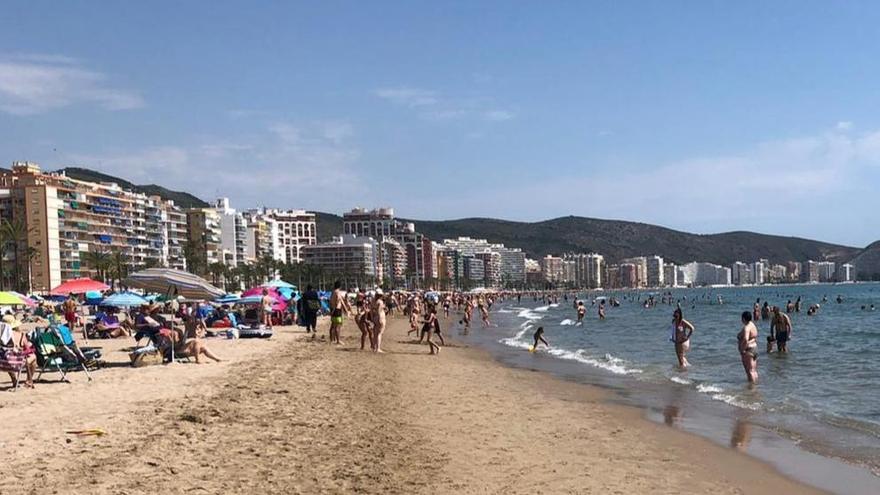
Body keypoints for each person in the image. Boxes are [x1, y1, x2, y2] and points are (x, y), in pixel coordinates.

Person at [738, 311, 759, 384]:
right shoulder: (752, 325)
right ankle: (755, 385)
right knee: (753, 370)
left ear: (743, 319)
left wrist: (742, 349)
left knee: (749, 370)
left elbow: (746, 339)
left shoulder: (746, 328)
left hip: (748, 349)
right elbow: (754, 336)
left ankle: (752, 387)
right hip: (754, 348)